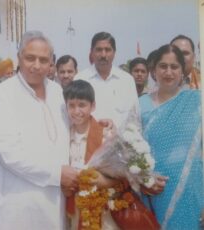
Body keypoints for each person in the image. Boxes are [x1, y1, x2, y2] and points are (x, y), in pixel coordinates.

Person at [0, 31, 78, 229]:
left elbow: (73, 132)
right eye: (30, 58)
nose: (36, 65)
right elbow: (7, 152)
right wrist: (57, 173)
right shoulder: (3, 95)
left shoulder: (58, 92)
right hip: (17, 208)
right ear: (19, 57)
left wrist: (100, 127)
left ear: (51, 63)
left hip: (54, 206)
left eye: (43, 60)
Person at [139, 44, 203, 229]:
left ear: (183, 70)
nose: (168, 72)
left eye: (174, 67)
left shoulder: (197, 102)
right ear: (154, 70)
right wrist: (143, 178)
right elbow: (128, 152)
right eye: (163, 66)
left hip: (194, 192)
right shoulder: (141, 105)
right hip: (154, 193)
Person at [63, 80, 120, 230]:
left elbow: (120, 176)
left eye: (82, 105)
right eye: (72, 105)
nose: (76, 111)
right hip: (74, 207)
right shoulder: (64, 134)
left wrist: (101, 181)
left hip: (102, 209)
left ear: (92, 106)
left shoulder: (105, 134)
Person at [75, 31, 139, 130]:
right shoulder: (80, 79)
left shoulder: (127, 80)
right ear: (91, 52)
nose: (103, 55)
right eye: (99, 50)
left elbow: (135, 119)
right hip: (88, 142)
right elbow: (75, 116)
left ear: (114, 52)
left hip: (120, 143)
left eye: (107, 50)